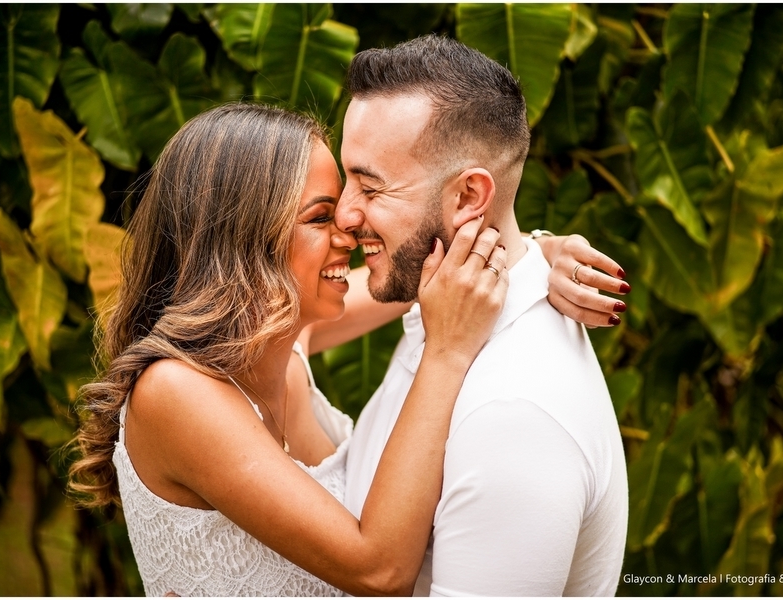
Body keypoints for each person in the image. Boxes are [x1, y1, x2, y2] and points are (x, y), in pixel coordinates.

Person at [68, 102, 619, 596]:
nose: (350, 229)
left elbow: (420, 268)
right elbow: (377, 570)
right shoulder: (176, 394)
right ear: (242, 237)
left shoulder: (283, 346)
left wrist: (537, 250)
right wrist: (446, 353)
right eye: (320, 216)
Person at [338, 35, 629, 596]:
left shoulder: (513, 414)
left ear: (470, 197)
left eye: (371, 187)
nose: (346, 215)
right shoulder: (447, 308)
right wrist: (531, 248)